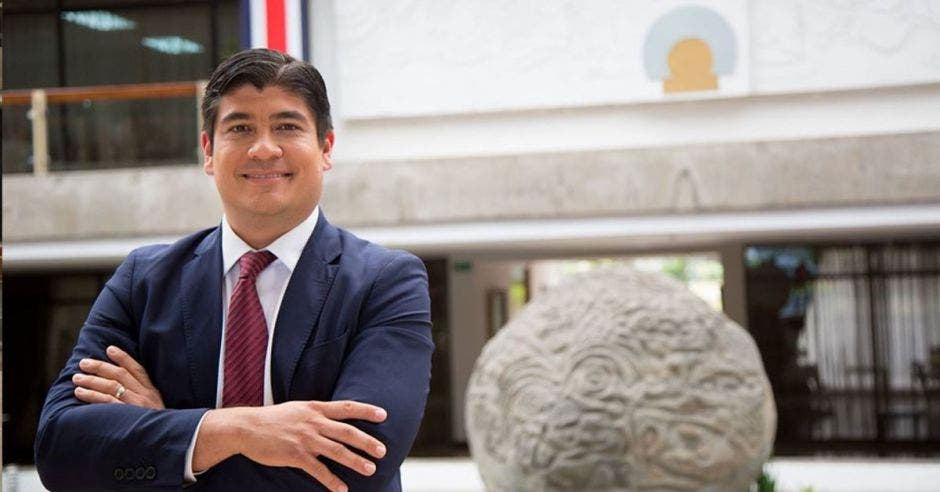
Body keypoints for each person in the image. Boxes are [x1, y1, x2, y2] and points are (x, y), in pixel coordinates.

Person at [34, 48, 434, 492]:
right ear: (209, 151)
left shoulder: (387, 282)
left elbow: (358, 460)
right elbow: (61, 451)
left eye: (287, 126)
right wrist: (237, 431)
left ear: (325, 147)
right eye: (240, 128)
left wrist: (170, 432)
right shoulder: (143, 280)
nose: (264, 148)